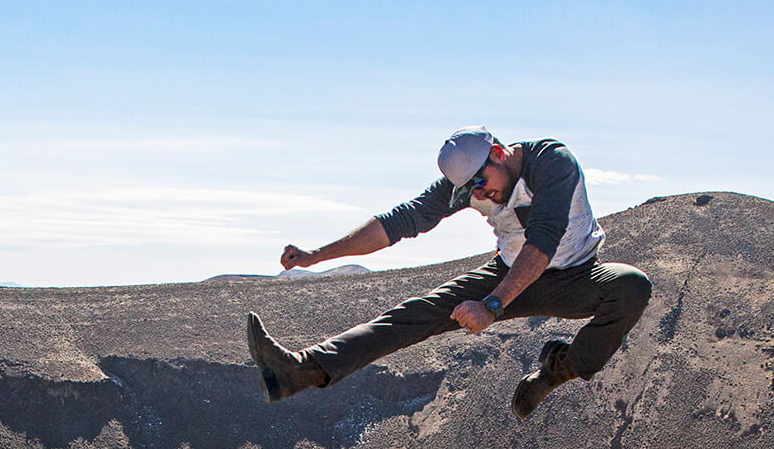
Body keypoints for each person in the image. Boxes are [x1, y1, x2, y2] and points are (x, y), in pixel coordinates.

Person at [246, 127, 653, 419]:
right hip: (509, 272)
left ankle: (558, 370)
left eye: (482, 182)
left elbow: (543, 241)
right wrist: (318, 254)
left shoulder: (551, 163)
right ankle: (300, 370)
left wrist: (492, 305)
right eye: (470, 190)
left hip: (576, 277)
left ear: (498, 152)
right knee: (415, 313)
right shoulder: (469, 183)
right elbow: (399, 221)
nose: (480, 194)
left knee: (632, 287)